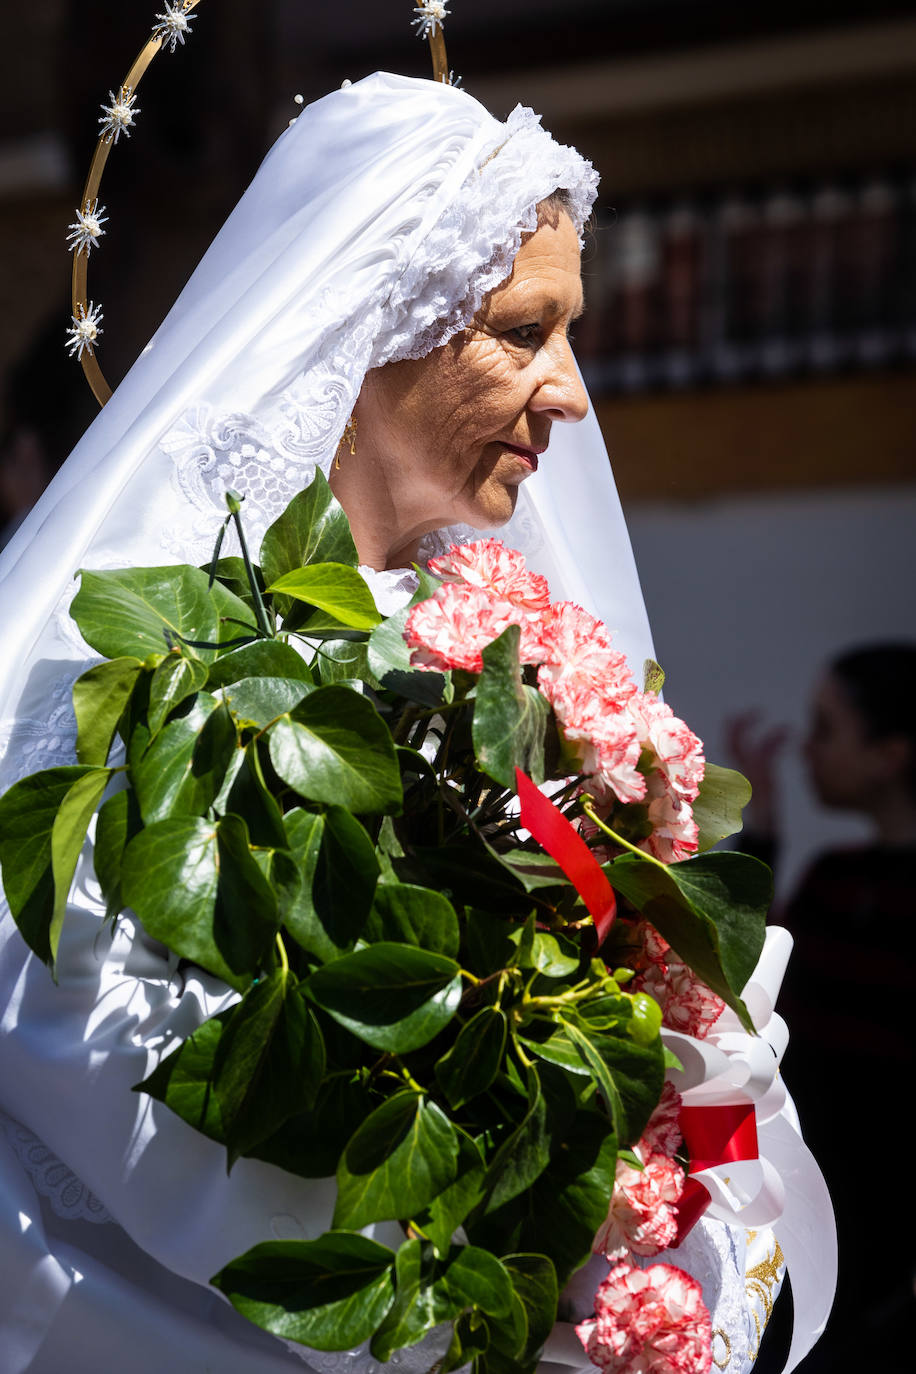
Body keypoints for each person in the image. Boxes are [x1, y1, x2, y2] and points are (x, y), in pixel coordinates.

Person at [0, 72, 826, 1373]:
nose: (570, 393)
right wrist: (520, 1294)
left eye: (570, 335)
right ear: (374, 321)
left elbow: (648, 1017)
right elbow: (104, 1053)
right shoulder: (157, 669)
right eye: (522, 331)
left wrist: (674, 1223)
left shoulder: (509, 659)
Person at [732, 645, 916, 1370]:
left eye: (824, 730)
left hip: (887, 1216)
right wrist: (765, 831)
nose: (806, 750)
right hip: (820, 1198)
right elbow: (755, 979)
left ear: (889, 754)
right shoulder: (835, 879)